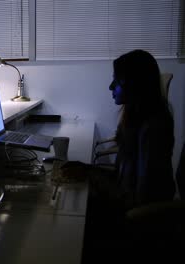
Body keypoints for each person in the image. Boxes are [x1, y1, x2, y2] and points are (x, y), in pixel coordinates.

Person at [80, 49, 176, 263]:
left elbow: (139, 199)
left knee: (76, 222)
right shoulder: (137, 118)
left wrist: (93, 180)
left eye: (117, 81)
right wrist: (86, 171)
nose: (111, 87)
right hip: (131, 207)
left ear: (135, 85)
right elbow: (123, 177)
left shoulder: (152, 127)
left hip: (140, 221)